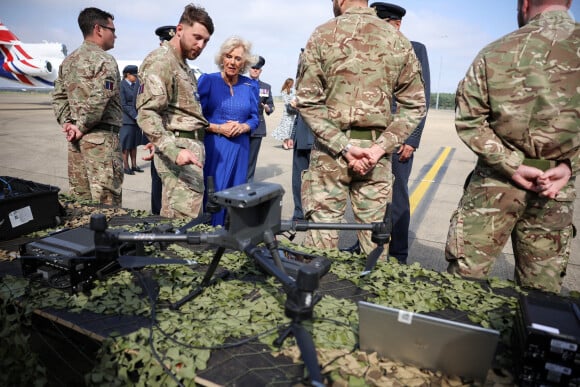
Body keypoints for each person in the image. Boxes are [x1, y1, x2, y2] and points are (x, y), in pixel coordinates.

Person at [445, 0, 578, 294]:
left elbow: (469, 119)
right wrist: (568, 167)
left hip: (494, 187)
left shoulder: (496, 52)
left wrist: (511, 163)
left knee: (463, 286)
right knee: (541, 295)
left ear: (525, 4)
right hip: (554, 192)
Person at [296, 0, 426, 258]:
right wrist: (379, 149)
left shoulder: (323, 34)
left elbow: (307, 100)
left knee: (320, 242)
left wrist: (343, 146)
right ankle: (371, 292)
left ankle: (316, 291)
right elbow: (415, 105)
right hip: (375, 156)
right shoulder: (397, 40)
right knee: (375, 244)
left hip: (329, 154)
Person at [136, 4, 214, 219]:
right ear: (180, 30)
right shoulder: (162, 61)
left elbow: (170, 109)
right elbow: (147, 113)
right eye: (197, 37)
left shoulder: (182, 64)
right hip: (179, 152)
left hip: (188, 149)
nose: (200, 45)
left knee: (180, 222)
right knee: (182, 225)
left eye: (205, 41)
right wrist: (173, 150)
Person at [371, 2, 431, 263]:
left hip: (400, 138)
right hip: (373, 137)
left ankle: (398, 253)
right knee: (370, 194)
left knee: (397, 197)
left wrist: (412, 139)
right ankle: (370, 246)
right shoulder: (373, 51)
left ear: (395, 24)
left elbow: (421, 98)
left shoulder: (415, 49)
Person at [52, 7, 123, 207]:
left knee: (79, 203)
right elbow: (101, 97)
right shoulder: (104, 60)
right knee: (106, 205)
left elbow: (58, 96)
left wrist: (68, 124)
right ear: (98, 29)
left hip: (76, 142)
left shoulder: (68, 61)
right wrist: (80, 126)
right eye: (112, 29)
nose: (115, 35)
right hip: (101, 143)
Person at [198, 36, 259, 227]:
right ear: (222, 58)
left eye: (238, 58)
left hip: (241, 148)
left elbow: (255, 118)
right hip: (216, 147)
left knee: (236, 196)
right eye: (229, 56)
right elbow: (196, 119)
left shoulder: (250, 85)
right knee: (214, 195)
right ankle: (211, 237)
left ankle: (231, 241)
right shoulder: (208, 80)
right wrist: (219, 128)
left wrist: (244, 126)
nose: (233, 62)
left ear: (244, 62)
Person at [141, 25, 177, 215]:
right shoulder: (155, 62)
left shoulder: (177, 64)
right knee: (158, 177)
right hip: (159, 132)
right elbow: (147, 107)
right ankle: (156, 216)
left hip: (174, 134)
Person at [290, 49, 314, 221]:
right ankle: (301, 212)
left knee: (313, 179)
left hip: (316, 136)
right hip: (303, 135)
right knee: (300, 178)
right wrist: (292, 135)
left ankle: (307, 213)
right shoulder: (301, 81)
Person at [247, 56, 274, 182]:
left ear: (261, 71)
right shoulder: (241, 83)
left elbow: (271, 105)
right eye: (253, 68)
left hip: (258, 126)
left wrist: (269, 108)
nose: (255, 70)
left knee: (252, 158)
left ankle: (248, 181)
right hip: (242, 125)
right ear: (249, 69)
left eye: (258, 69)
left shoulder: (265, 87)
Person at [120, 64, 144, 175]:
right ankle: (126, 166)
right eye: (134, 75)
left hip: (135, 119)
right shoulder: (122, 85)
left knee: (134, 144)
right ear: (128, 75)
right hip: (127, 119)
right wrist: (135, 115)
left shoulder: (136, 85)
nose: (136, 77)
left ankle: (134, 165)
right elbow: (124, 104)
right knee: (126, 145)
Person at [271, 78, 297, 150]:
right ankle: (284, 142)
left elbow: (294, 99)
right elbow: (286, 101)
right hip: (288, 111)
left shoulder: (292, 91)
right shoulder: (284, 91)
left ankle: (288, 142)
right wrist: (293, 102)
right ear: (288, 83)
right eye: (292, 83)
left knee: (290, 128)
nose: (293, 84)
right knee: (286, 127)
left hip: (293, 111)